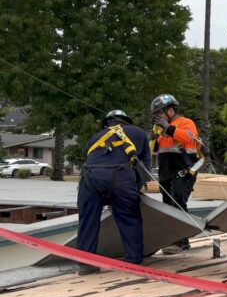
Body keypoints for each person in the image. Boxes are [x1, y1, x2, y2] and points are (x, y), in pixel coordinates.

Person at [75, 109, 152, 274]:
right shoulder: (138, 133)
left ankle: (85, 263)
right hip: (120, 176)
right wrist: (134, 188)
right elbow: (145, 167)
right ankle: (133, 260)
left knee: (88, 219)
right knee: (129, 217)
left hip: (90, 177)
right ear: (126, 122)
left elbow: (91, 160)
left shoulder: (94, 138)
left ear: (106, 124)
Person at [150, 93, 201, 253]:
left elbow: (187, 138)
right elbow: (154, 151)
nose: (157, 117)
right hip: (166, 172)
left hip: (183, 171)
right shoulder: (160, 129)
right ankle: (174, 240)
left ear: (170, 110)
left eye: (159, 112)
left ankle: (181, 241)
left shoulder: (186, 122)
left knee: (178, 203)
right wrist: (153, 139)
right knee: (168, 206)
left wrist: (168, 127)